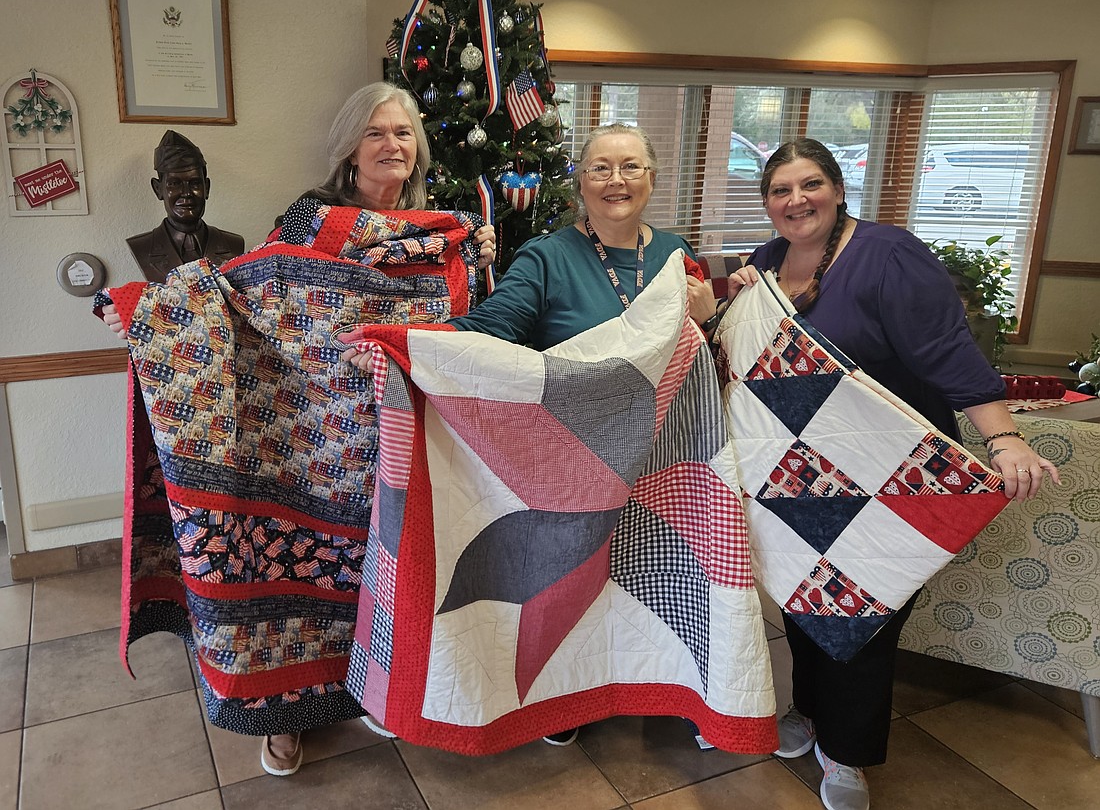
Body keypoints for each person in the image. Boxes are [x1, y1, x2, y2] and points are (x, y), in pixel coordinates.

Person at [105, 83, 495, 775]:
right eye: (376, 132)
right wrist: (146, 308)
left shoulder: (447, 233)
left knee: (394, 571)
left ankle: (379, 688)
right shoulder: (311, 222)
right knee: (298, 580)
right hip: (310, 436)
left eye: (403, 133)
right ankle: (282, 718)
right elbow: (243, 291)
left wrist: (482, 260)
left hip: (410, 436)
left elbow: (474, 330)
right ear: (350, 145)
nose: (391, 145)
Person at [341, 121, 720, 747]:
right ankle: (565, 697)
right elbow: (496, 324)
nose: (616, 180)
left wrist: (710, 315)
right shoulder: (548, 255)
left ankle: (660, 683)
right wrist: (409, 350)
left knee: (658, 578)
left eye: (630, 166)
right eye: (599, 168)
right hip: (580, 456)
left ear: (652, 177)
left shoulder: (677, 255)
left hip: (659, 453)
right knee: (567, 584)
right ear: (579, 183)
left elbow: (700, 354)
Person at [726, 138, 1058, 810]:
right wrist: (734, 305)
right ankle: (810, 711)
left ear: (839, 188)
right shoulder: (764, 264)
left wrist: (1004, 439)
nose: (797, 201)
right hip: (802, 472)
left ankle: (847, 754)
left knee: (867, 613)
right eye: (781, 190)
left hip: (893, 473)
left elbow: (947, 350)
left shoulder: (889, 255)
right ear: (767, 203)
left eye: (810, 184)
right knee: (803, 597)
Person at [126, 130, 245, 283]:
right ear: (158, 189)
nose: (186, 193)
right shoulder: (142, 248)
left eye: (195, 183)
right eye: (174, 184)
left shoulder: (233, 244)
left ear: (206, 188)